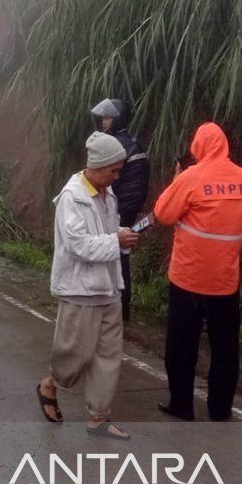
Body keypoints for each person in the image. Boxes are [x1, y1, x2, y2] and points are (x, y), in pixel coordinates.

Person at [36, 131, 138, 440]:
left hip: (108, 287)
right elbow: (78, 244)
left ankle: (99, 417)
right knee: (75, 355)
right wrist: (115, 240)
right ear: (99, 164)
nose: (117, 177)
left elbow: (103, 234)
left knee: (108, 354)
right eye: (114, 170)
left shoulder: (108, 195)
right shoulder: (73, 197)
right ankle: (50, 384)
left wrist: (122, 236)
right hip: (80, 288)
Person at [153, 122, 242, 422]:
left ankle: (182, 405)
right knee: (225, 347)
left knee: (181, 345)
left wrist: (175, 181)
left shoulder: (191, 177)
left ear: (199, 146)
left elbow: (163, 214)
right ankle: (220, 408)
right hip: (225, 281)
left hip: (188, 278)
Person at [90, 99, 151, 323]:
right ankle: (119, 310)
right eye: (104, 118)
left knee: (117, 257)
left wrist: (116, 213)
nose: (104, 122)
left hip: (118, 211)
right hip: (122, 210)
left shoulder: (119, 146)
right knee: (118, 256)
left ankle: (118, 309)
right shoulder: (129, 143)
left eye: (108, 118)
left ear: (118, 118)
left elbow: (122, 184)